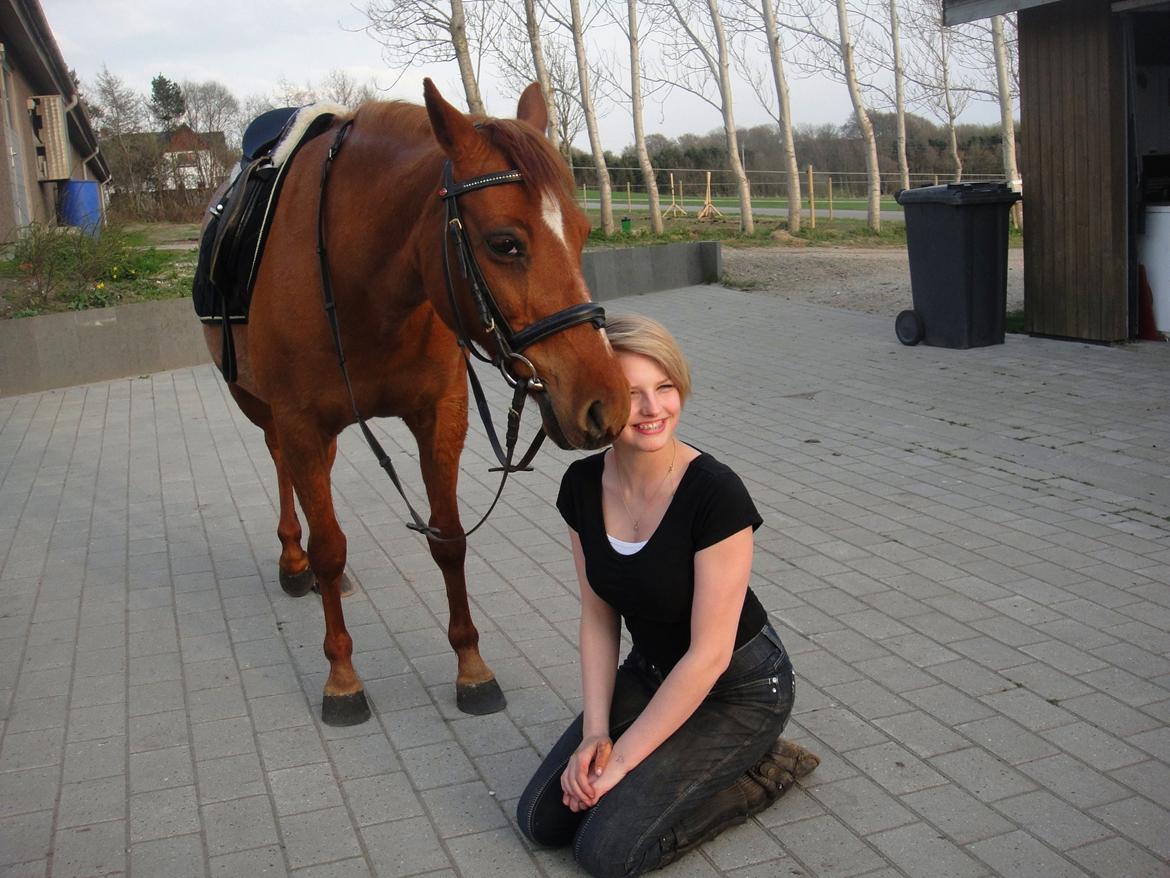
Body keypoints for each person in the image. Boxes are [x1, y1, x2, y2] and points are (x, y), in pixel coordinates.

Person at [517, 314, 819, 878]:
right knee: (542, 819)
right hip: (654, 670)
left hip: (740, 688)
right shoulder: (581, 487)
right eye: (632, 394)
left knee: (604, 852)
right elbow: (598, 620)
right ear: (603, 399)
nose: (655, 409)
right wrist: (596, 735)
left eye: (665, 387)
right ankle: (668, 760)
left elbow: (708, 656)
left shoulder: (714, 492)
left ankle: (759, 770)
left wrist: (621, 765)